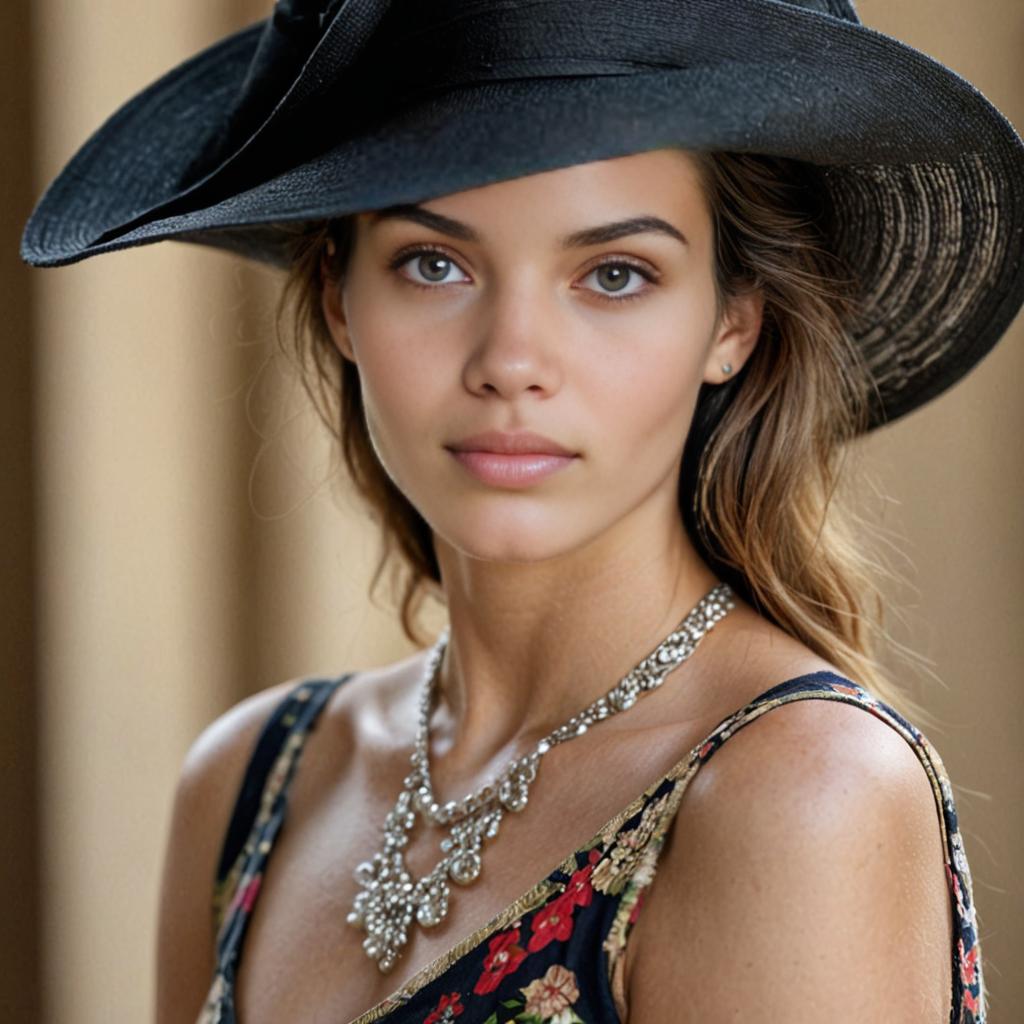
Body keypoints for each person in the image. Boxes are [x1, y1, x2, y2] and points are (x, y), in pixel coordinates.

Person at [22, 2, 1021, 1022]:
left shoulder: (800, 794)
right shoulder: (248, 785)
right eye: (433, 263)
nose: (510, 361)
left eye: (614, 275)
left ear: (731, 322)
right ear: (338, 298)